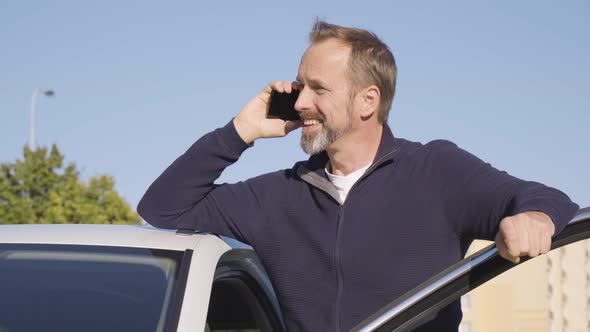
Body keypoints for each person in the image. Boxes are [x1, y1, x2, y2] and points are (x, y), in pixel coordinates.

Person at [137, 20, 579, 331]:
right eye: (298, 86)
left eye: (318, 89)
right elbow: (163, 206)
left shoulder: (436, 171)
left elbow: (546, 198)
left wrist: (537, 217)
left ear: (368, 101)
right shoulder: (277, 195)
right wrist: (241, 131)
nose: (301, 102)